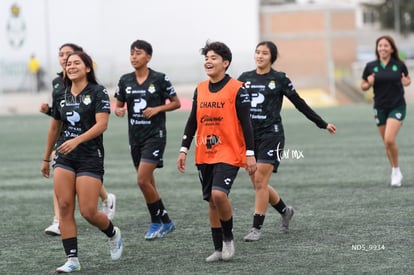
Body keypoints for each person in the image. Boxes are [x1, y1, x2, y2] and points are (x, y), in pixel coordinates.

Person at [238, 41, 337, 242]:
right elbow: (233, 105)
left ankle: (256, 229)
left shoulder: (280, 79)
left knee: (259, 181)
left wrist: (322, 123)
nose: (259, 56)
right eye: (257, 52)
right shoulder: (244, 79)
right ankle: (285, 211)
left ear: (271, 57)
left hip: (272, 135)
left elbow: (299, 103)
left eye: (264, 53)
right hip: (249, 138)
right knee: (260, 183)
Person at [40, 51, 123, 272]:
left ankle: (113, 233)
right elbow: (55, 127)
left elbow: (102, 125)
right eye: (68, 63)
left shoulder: (98, 92)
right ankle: (72, 259)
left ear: (87, 68)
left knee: (88, 211)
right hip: (64, 157)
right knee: (65, 207)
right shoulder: (61, 94)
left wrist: (77, 140)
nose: (71, 66)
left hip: (89, 157)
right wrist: (46, 157)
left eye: (77, 63)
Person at [177, 41, 257, 262]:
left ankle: (228, 239)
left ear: (225, 63)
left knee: (218, 194)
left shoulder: (237, 89)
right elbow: (192, 120)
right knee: (211, 202)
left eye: (213, 58)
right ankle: (218, 249)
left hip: (230, 152)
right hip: (204, 152)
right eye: (206, 58)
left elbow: (247, 123)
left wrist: (250, 153)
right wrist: (184, 148)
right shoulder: (200, 89)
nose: (208, 61)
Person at [114, 39, 180, 240]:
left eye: (139, 53)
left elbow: (176, 103)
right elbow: (118, 104)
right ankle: (166, 221)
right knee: (148, 182)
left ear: (148, 57)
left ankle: (155, 222)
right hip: (135, 138)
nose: (134, 57)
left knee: (142, 179)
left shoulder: (159, 79)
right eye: (132, 53)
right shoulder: (125, 80)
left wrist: (158, 108)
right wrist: (119, 110)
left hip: (155, 136)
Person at [361, 35, 411, 187]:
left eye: (386, 45)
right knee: (387, 143)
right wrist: (368, 83)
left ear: (391, 48)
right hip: (380, 107)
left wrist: (406, 82)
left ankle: (396, 171)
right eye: (380, 46)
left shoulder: (399, 65)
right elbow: (363, 85)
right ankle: (394, 170)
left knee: (389, 139)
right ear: (377, 48)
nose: (382, 48)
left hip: (397, 106)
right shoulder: (371, 66)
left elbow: (407, 80)